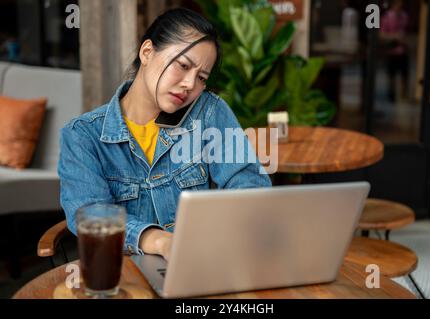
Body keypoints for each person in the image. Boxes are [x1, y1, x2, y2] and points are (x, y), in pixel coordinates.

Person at [58, 8, 272, 262]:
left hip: (200, 262)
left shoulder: (209, 112)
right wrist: (161, 242)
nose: (190, 85)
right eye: (183, 65)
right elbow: (89, 214)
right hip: (123, 272)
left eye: (201, 77)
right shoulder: (82, 135)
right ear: (147, 52)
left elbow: (249, 186)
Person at [380, 0, 410, 102]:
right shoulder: (387, 17)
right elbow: (381, 34)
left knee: (404, 74)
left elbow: (407, 31)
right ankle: (391, 94)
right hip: (391, 50)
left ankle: (404, 94)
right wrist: (394, 37)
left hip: (403, 50)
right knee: (391, 74)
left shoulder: (404, 16)